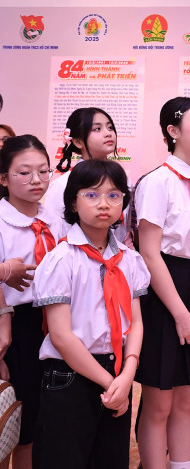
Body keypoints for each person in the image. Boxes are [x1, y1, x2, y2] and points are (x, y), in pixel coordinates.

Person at [31, 160, 149, 469]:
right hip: (69, 375)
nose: (104, 204)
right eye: (92, 195)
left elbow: (136, 322)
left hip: (118, 371)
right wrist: (111, 383)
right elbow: (61, 336)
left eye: (113, 195)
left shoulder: (130, 260)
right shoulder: (61, 260)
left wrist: (127, 375)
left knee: (110, 460)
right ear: (73, 202)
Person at [134, 97, 190, 469]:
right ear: (173, 131)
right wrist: (181, 315)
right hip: (166, 294)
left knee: (189, 400)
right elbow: (149, 253)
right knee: (160, 404)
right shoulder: (157, 182)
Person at [0, 135, 66, 469]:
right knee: (12, 421)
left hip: (53, 325)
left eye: (43, 171)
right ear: (3, 178)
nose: (36, 180)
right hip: (14, 327)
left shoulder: (54, 219)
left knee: (39, 423)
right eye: (24, 173)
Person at [43, 107, 130, 245]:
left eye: (110, 127)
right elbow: (54, 233)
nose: (108, 133)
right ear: (78, 141)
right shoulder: (62, 185)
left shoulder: (122, 179)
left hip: (117, 254)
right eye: (97, 129)